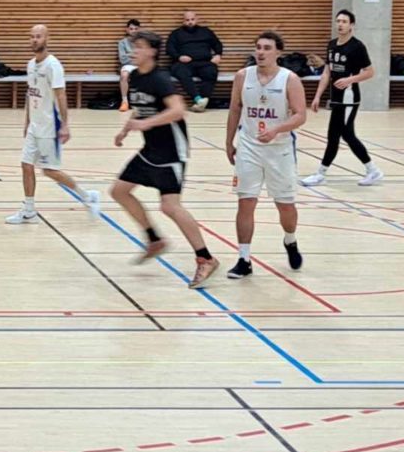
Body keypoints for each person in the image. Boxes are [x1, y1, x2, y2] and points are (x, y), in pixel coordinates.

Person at [109, 32, 219, 290]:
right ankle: (154, 239)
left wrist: (145, 123)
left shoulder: (161, 78)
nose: (134, 51)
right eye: (133, 47)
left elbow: (178, 110)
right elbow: (142, 107)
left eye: (139, 47)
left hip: (171, 152)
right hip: (151, 149)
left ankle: (205, 258)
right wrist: (126, 129)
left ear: (152, 51)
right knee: (119, 191)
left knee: (170, 206)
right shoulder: (136, 77)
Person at [225, 32, 309, 279]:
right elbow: (235, 108)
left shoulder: (289, 79)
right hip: (249, 146)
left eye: (267, 48)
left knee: (285, 206)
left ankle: (290, 240)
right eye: (258, 47)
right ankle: (244, 259)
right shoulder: (243, 76)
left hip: (279, 149)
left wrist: (276, 130)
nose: (261, 52)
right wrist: (229, 141)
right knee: (245, 201)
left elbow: (300, 115)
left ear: (278, 52)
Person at [6, 24, 99, 223]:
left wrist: (65, 125)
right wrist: (27, 122)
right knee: (26, 165)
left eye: (38, 36)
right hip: (34, 126)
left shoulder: (53, 65)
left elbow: (61, 95)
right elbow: (30, 95)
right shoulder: (31, 64)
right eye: (32, 36)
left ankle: (87, 196)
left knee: (49, 170)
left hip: (49, 127)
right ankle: (29, 210)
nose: (34, 40)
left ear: (46, 39)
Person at [302, 9, 382, 188]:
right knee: (338, 135)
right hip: (336, 98)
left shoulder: (357, 47)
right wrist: (317, 96)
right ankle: (371, 170)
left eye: (344, 21)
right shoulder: (332, 45)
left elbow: (370, 72)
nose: (340, 24)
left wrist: (349, 80)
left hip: (349, 98)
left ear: (351, 25)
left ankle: (323, 173)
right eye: (338, 21)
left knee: (342, 134)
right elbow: (327, 72)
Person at [165, 11, 224, 112]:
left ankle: (203, 101)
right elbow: (169, 49)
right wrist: (179, 57)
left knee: (211, 72)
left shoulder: (206, 31)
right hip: (184, 63)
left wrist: (218, 54)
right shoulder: (176, 34)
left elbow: (217, 44)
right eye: (187, 20)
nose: (190, 22)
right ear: (183, 21)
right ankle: (198, 99)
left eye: (192, 19)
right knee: (181, 72)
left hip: (204, 62)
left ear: (197, 19)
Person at [118, 18, 142, 112]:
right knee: (124, 76)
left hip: (140, 65)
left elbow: (145, 58)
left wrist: (129, 54)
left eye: (136, 29)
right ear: (127, 30)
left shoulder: (143, 42)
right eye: (131, 29)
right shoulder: (122, 43)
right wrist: (135, 56)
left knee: (147, 75)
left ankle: (141, 101)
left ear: (139, 30)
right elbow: (123, 59)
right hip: (128, 65)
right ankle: (124, 101)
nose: (134, 31)